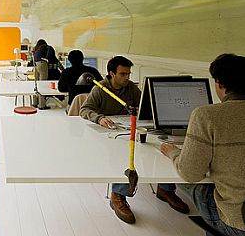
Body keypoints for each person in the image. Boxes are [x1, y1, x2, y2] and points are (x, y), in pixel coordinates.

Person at [160, 53, 245, 235]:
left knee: (190, 182)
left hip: (241, 224)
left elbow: (190, 173)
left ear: (219, 83)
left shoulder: (206, 115)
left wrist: (174, 152)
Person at [80, 55, 189, 224]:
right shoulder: (100, 88)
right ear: (111, 73)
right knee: (122, 155)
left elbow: (143, 105)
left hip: (129, 129)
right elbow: (85, 109)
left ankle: (166, 189)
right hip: (108, 134)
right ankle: (118, 195)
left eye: (128, 74)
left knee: (164, 146)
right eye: (123, 74)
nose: (127, 78)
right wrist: (99, 117)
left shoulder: (130, 88)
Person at [32, 39, 62, 110]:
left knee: (36, 84)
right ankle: (42, 105)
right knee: (43, 84)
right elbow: (50, 56)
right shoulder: (49, 47)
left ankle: (35, 103)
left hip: (36, 65)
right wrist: (47, 60)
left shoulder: (37, 50)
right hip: (43, 65)